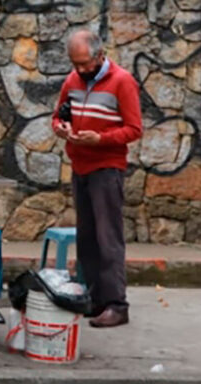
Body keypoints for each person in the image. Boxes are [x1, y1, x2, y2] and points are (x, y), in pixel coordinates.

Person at [52, 30, 142, 328]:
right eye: (75, 64)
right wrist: (62, 128)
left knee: (108, 238)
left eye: (84, 64)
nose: (79, 70)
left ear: (100, 56)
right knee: (87, 237)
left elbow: (134, 129)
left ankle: (117, 303)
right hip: (80, 164)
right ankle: (94, 298)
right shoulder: (72, 81)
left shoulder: (122, 81)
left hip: (106, 166)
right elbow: (58, 115)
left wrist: (100, 139)